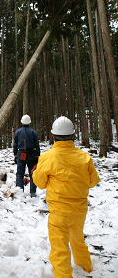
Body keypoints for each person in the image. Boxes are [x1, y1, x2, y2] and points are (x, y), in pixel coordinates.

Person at [32, 116, 100, 278]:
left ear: (53, 136)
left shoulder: (48, 157)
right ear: (73, 135)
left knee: (60, 250)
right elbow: (93, 181)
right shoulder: (84, 157)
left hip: (59, 213)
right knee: (78, 241)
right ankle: (86, 267)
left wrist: (36, 172)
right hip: (80, 211)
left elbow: (40, 183)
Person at [13, 114, 40, 197]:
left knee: (20, 173)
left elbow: (15, 145)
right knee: (32, 173)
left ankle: (19, 190)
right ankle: (33, 192)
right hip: (32, 154)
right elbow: (37, 144)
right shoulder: (33, 132)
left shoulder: (17, 132)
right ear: (29, 122)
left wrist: (15, 154)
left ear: (22, 122)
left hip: (21, 154)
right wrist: (38, 155)